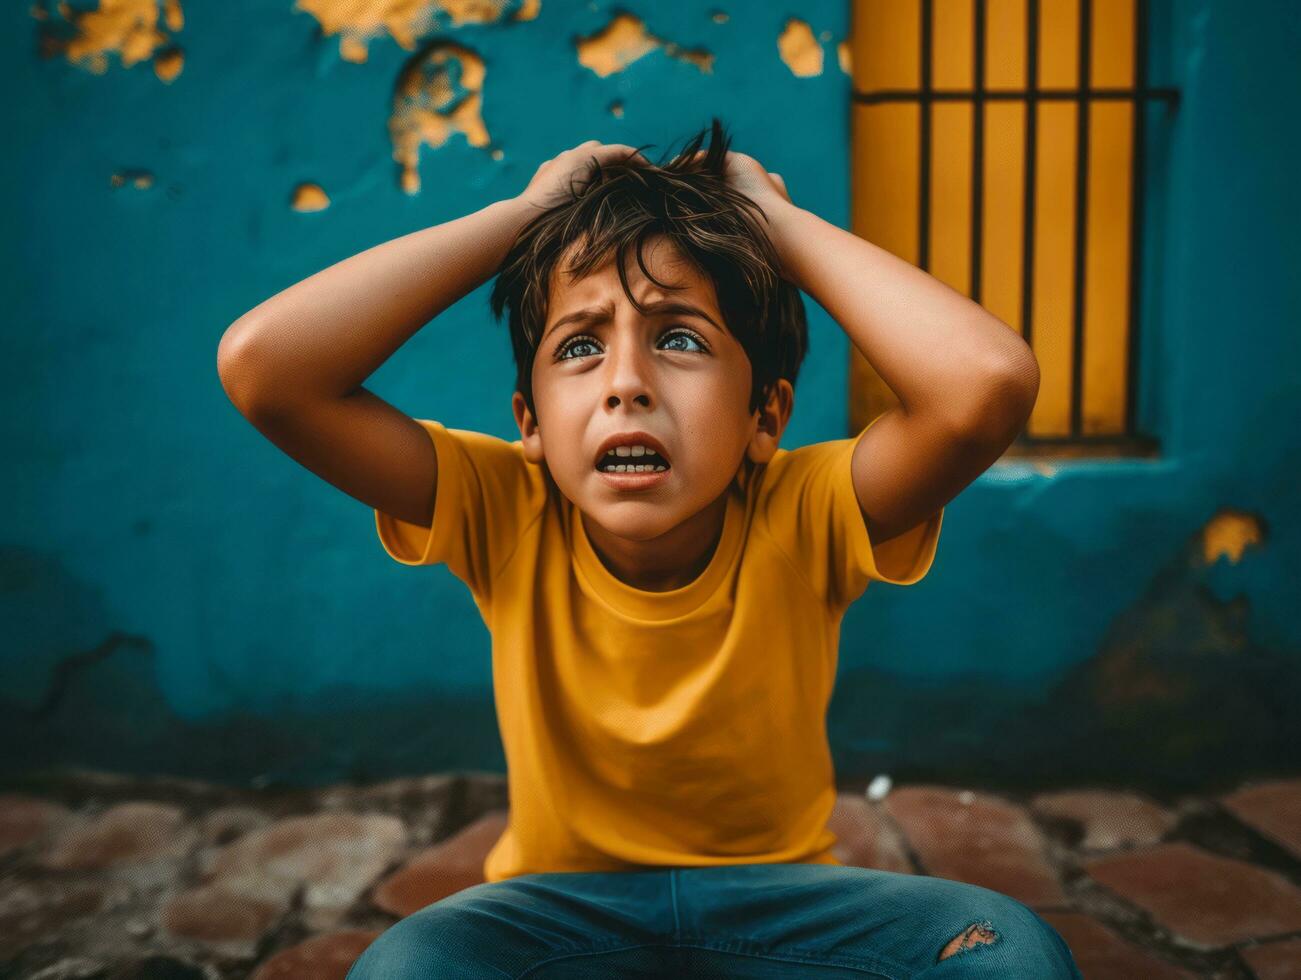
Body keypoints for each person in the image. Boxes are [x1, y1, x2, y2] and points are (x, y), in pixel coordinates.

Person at [217, 119, 1078, 977]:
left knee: (1005, 951)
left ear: (764, 419)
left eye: (678, 339)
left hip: (778, 911)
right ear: (530, 425)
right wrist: (522, 217)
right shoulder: (501, 509)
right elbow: (266, 368)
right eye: (580, 346)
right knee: (403, 968)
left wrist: (772, 221)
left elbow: (985, 385)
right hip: (555, 922)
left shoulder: (804, 512)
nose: (626, 384)